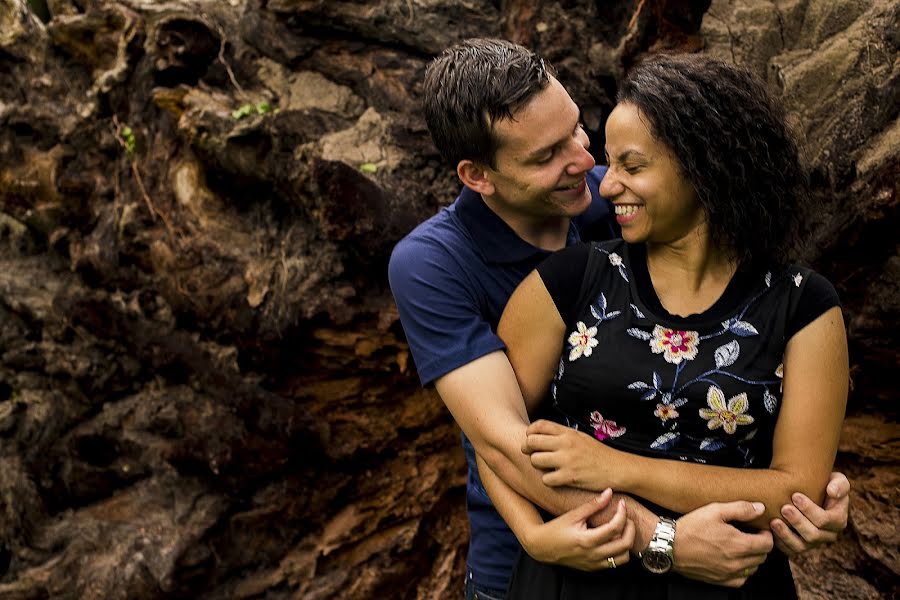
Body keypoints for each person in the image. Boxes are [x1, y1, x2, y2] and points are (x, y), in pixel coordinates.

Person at [388, 38, 851, 600]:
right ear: (478, 175)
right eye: (546, 156)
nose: (588, 166)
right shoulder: (435, 264)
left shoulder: (627, 206)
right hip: (548, 547)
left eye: (577, 131)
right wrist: (660, 539)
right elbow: (505, 443)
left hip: (722, 559)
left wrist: (809, 500)